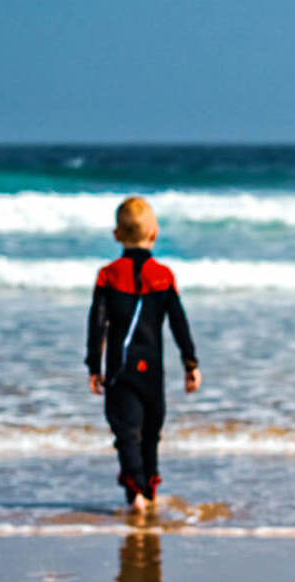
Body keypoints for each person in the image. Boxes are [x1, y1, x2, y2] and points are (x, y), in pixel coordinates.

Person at [85, 196, 201, 515]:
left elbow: (97, 325)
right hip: (152, 373)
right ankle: (149, 491)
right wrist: (190, 363)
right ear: (154, 234)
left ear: (116, 234)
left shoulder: (108, 275)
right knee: (151, 432)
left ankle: (135, 493)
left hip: (120, 371)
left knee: (127, 433)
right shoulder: (163, 275)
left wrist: (94, 366)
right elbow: (178, 322)